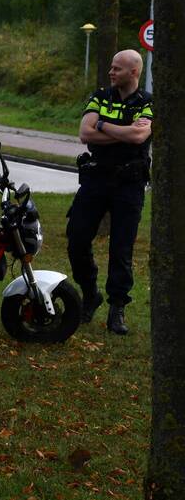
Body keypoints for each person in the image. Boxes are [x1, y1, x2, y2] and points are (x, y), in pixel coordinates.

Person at [67, 49, 153, 335]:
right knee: (77, 238)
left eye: (117, 68)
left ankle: (117, 308)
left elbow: (140, 136)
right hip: (95, 179)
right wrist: (121, 129)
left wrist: (102, 124)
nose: (111, 72)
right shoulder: (100, 96)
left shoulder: (148, 102)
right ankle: (90, 293)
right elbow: (85, 133)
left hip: (129, 184)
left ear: (134, 72)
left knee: (122, 248)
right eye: (111, 67)